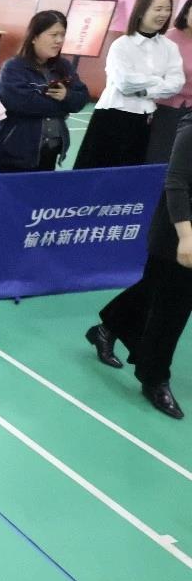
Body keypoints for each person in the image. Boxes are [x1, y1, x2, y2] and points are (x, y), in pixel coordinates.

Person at [88, 119, 192, 419]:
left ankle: (106, 329)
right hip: (178, 228)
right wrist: (185, 236)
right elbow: (176, 182)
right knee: (173, 307)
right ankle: (154, 378)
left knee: (154, 289)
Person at [75, 0, 183, 169]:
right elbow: (125, 83)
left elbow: (176, 84)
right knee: (96, 171)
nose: (164, 14)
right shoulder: (122, 44)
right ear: (141, 11)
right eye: (158, 9)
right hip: (112, 115)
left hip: (144, 118)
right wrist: (158, 81)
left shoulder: (169, 47)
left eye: (168, 9)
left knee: (129, 174)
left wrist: (146, 90)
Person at [0, 10, 90, 172]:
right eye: (53, 35)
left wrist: (67, 96)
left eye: (62, 35)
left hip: (49, 152)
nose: (59, 40)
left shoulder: (64, 66)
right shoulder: (13, 68)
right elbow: (23, 104)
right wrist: (64, 106)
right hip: (13, 153)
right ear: (34, 37)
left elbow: (82, 97)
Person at [147, 0, 192, 164]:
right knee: (159, 158)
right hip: (165, 110)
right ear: (186, 13)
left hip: (190, 112)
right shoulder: (167, 39)